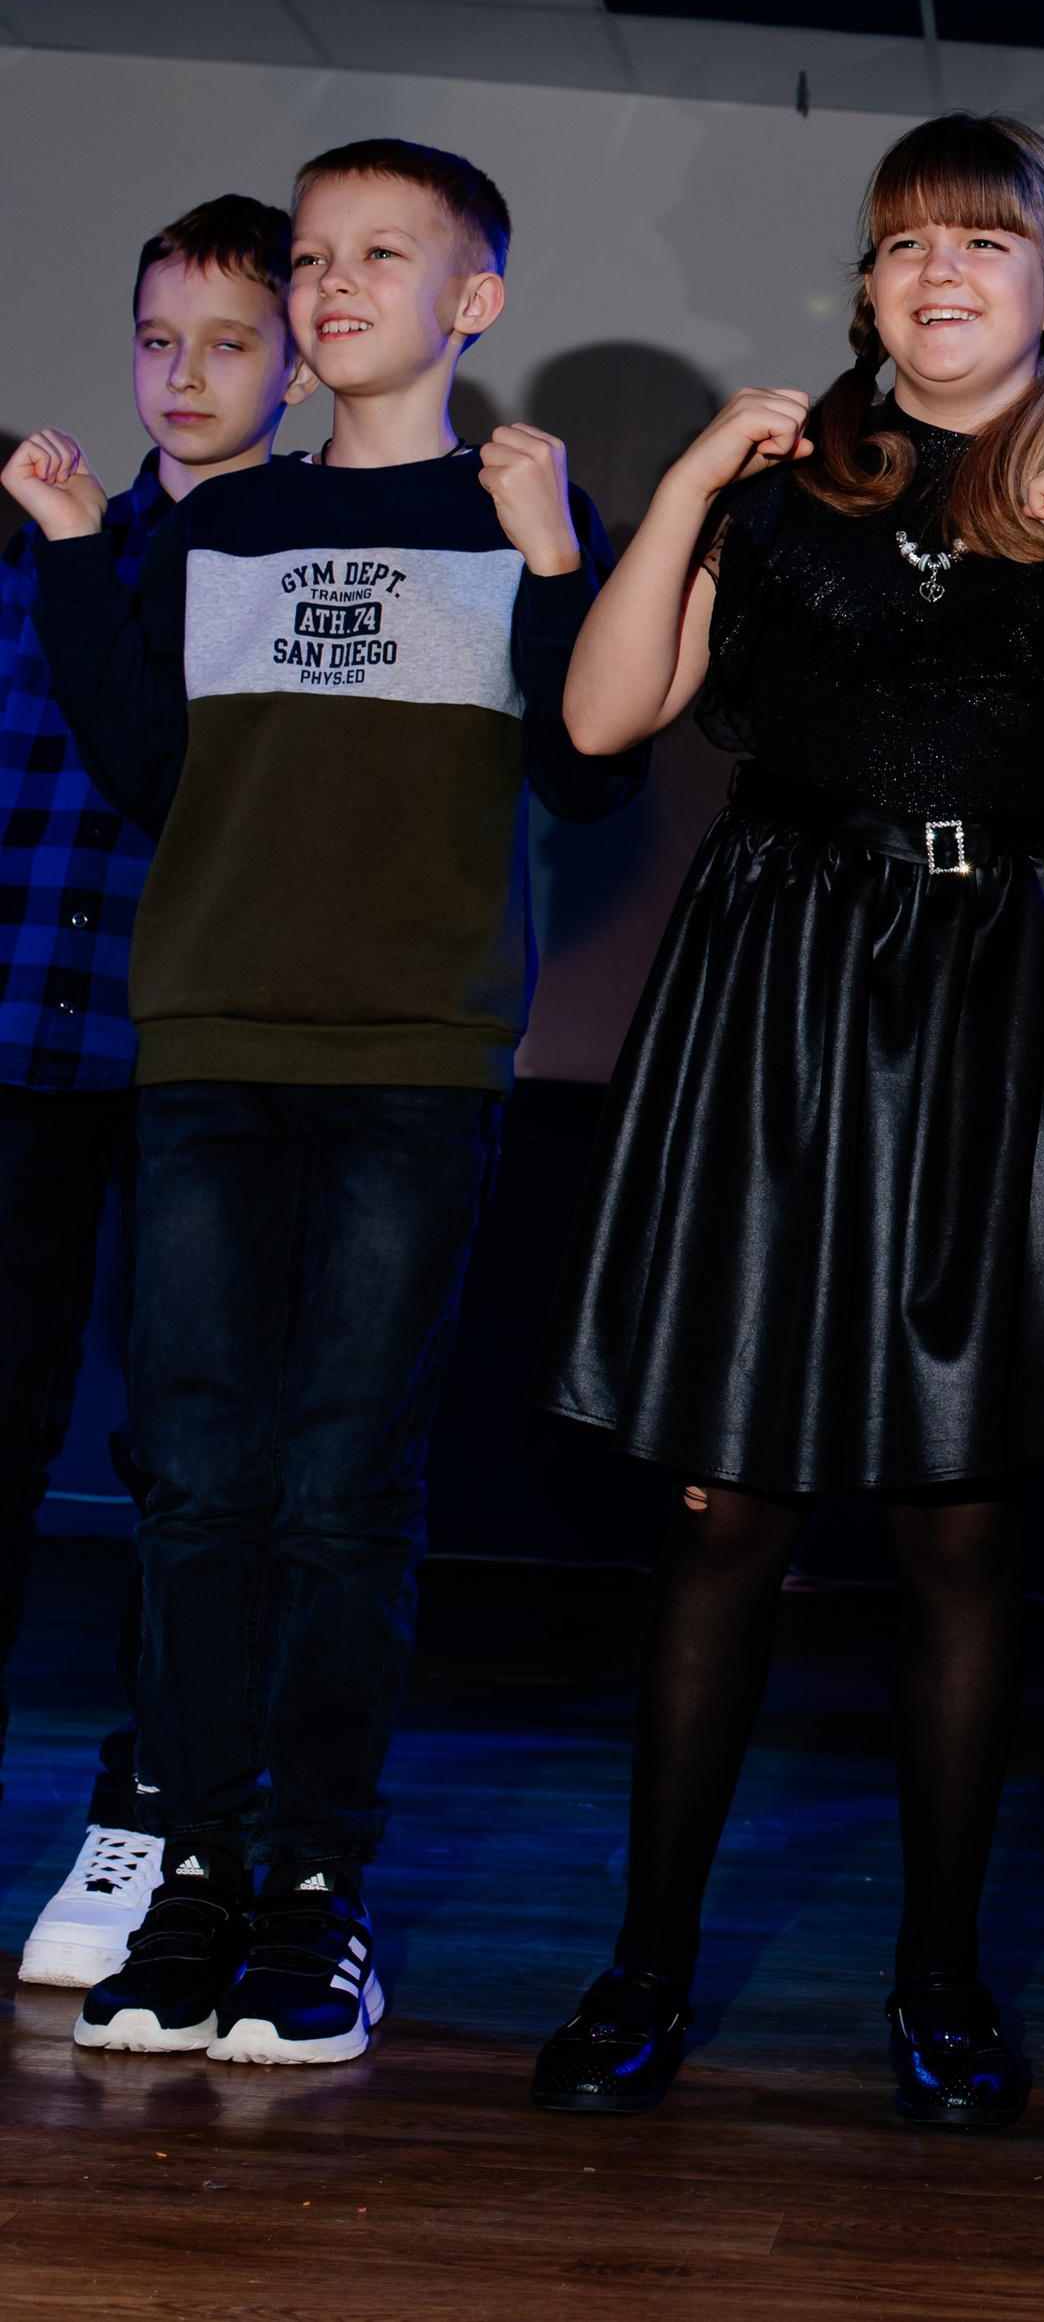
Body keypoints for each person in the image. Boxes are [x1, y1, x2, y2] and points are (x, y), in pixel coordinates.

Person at [528, 114, 1044, 2129]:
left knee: (963, 1526)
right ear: (864, 290)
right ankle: (645, 1965)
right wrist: (690, 483)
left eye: (982, 238)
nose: (937, 270)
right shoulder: (783, 490)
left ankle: (940, 1978)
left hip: (1004, 1011)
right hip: (779, 988)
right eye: (901, 244)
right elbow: (599, 719)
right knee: (727, 1514)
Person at [7, 136, 636, 2065]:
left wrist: (555, 559)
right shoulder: (227, 518)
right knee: (199, 1480)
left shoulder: (519, 505)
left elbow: (593, 770)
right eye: (311, 255)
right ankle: (196, 1876)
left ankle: (315, 1894)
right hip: (207, 1047)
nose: (333, 283)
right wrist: (73, 552)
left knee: (344, 1486)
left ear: (473, 301)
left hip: (412, 1062)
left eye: (381, 254)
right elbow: (145, 766)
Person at [1, 197, 307, 1992]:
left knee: (194, 1459)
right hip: (17, 1054)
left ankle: (150, 1809)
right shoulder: (45, 542)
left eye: (230, 342)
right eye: (156, 339)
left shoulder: (303, 571)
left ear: (297, 365)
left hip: (199, 1060)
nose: (184, 375)